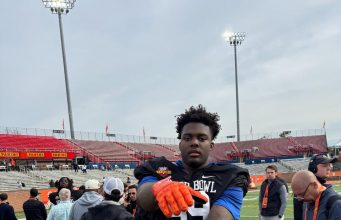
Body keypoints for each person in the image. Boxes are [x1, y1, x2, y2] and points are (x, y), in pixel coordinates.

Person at [134, 105, 250, 220]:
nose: (194, 142)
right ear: (180, 144)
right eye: (188, 138)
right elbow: (142, 199)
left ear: (211, 146)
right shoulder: (159, 168)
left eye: (202, 138)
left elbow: (221, 215)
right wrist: (157, 189)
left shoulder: (230, 176)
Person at [293, 154, 337, 220]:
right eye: (324, 165)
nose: (329, 168)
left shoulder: (329, 195)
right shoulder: (303, 189)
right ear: (313, 168)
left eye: (329, 165)